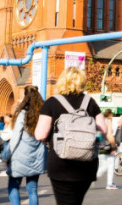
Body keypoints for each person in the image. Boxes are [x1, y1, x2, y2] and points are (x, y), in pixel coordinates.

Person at [34, 67, 109, 205]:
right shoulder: (90, 102)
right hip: (87, 164)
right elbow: (103, 129)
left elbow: (40, 135)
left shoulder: (52, 103)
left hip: (61, 164)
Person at [6, 86, 46, 205]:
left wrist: (8, 154)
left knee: (13, 186)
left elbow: (16, 136)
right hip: (37, 155)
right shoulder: (42, 114)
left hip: (20, 156)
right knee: (32, 190)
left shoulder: (22, 114)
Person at [96, 108, 119, 189]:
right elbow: (109, 135)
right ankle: (109, 183)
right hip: (107, 146)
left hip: (100, 146)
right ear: (110, 115)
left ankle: (109, 183)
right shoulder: (108, 121)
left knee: (104, 165)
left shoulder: (99, 121)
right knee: (110, 165)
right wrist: (114, 146)